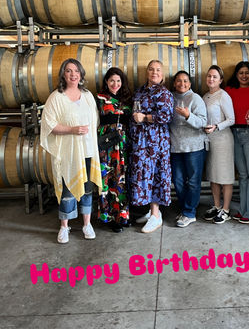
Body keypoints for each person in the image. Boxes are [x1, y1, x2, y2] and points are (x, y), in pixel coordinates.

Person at [40, 58, 102, 244]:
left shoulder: (88, 96)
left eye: (76, 71)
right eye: (68, 71)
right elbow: (48, 125)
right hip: (68, 152)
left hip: (88, 150)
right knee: (68, 191)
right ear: (63, 75)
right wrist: (72, 130)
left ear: (81, 74)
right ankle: (64, 227)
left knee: (87, 189)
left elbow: (95, 121)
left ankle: (86, 224)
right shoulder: (56, 98)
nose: (73, 74)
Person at [130, 60, 174, 233]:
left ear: (162, 74)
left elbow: (166, 117)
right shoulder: (140, 90)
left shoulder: (163, 93)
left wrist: (145, 118)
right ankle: (152, 211)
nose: (154, 72)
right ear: (147, 72)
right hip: (141, 141)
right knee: (144, 175)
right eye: (151, 69)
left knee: (155, 174)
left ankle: (156, 215)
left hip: (155, 142)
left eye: (158, 70)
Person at [226, 61, 249, 224]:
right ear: (236, 74)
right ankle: (243, 210)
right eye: (241, 72)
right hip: (234, 133)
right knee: (242, 175)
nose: (244, 75)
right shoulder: (229, 91)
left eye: (247, 72)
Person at [169, 70, 207, 228]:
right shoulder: (170, 98)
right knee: (177, 181)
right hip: (175, 147)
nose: (182, 84)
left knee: (192, 181)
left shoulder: (195, 98)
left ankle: (189, 212)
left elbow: (203, 122)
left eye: (185, 81)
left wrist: (188, 115)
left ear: (190, 84)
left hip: (193, 147)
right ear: (174, 83)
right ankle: (186, 209)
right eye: (178, 81)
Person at [97, 67, 132, 233]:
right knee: (108, 178)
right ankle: (110, 217)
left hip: (123, 143)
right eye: (112, 80)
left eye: (118, 81)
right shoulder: (99, 98)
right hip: (107, 144)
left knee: (122, 178)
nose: (115, 84)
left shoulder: (127, 99)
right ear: (106, 82)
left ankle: (123, 216)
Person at [203, 65, 235, 224]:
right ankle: (216, 206)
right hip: (210, 140)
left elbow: (231, 119)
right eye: (209, 76)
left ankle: (226, 210)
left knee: (225, 176)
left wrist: (216, 126)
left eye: (215, 77)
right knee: (213, 176)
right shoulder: (205, 96)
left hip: (223, 140)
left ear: (221, 80)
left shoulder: (223, 96)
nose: (211, 79)